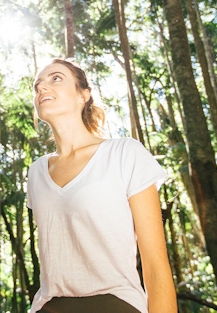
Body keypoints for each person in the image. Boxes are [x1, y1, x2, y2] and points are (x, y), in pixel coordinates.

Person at [27, 58, 177, 313]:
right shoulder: (36, 172)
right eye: (37, 85)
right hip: (48, 306)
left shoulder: (124, 153)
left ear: (83, 95)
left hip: (115, 304)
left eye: (55, 79)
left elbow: (155, 266)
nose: (42, 88)